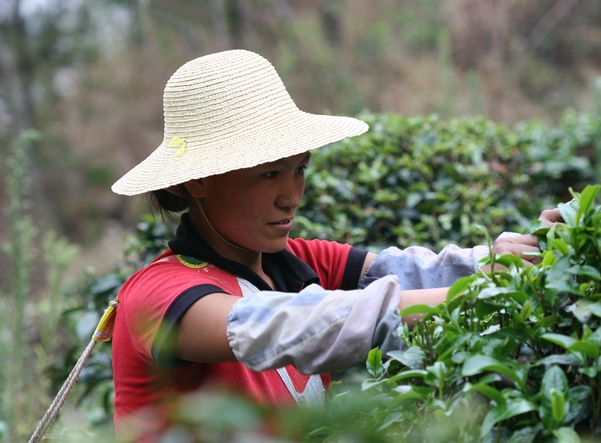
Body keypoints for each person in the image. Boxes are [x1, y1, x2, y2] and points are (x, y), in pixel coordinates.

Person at [110, 49, 561, 441]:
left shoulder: (294, 262)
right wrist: (480, 291)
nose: (292, 195)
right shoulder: (158, 295)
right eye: (269, 174)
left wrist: (517, 256)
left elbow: (414, 274)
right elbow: (282, 324)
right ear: (199, 180)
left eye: (299, 170)